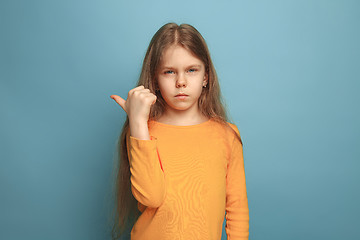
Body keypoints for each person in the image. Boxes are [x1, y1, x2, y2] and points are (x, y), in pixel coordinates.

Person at [110, 22, 249, 240]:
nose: (181, 82)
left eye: (191, 70)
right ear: (155, 79)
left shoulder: (227, 135)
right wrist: (137, 121)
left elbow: (237, 210)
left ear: (206, 77)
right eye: (169, 72)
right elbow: (150, 197)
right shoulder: (141, 132)